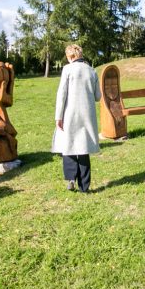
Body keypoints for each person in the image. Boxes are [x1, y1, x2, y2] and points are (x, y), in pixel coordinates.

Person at [52, 44, 101, 192]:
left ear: (71, 56)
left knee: (68, 145)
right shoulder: (92, 71)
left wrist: (58, 116)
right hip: (87, 114)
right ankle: (84, 186)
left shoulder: (68, 69)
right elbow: (98, 97)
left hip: (69, 113)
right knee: (83, 148)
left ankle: (71, 178)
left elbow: (62, 94)